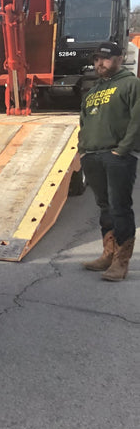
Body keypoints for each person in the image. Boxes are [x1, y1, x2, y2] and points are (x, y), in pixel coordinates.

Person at [78, 40, 140, 281]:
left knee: (120, 207)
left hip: (117, 156)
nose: (99, 63)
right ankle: (107, 253)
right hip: (92, 157)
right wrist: (83, 150)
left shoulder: (131, 84)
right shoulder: (93, 92)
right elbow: (84, 122)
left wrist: (123, 149)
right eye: (96, 59)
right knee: (105, 207)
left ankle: (120, 263)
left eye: (105, 58)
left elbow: (137, 120)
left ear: (119, 58)